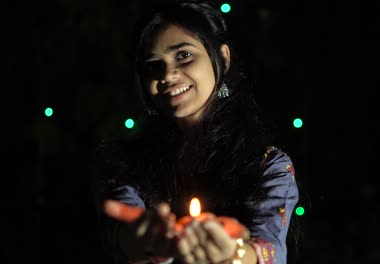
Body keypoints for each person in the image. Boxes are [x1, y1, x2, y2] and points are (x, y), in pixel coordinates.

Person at [90, 1, 300, 263]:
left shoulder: (267, 165)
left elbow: (270, 249)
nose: (168, 74)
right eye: (154, 65)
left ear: (222, 58)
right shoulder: (125, 164)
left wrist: (230, 253)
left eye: (183, 55)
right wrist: (152, 240)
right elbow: (122, 233)